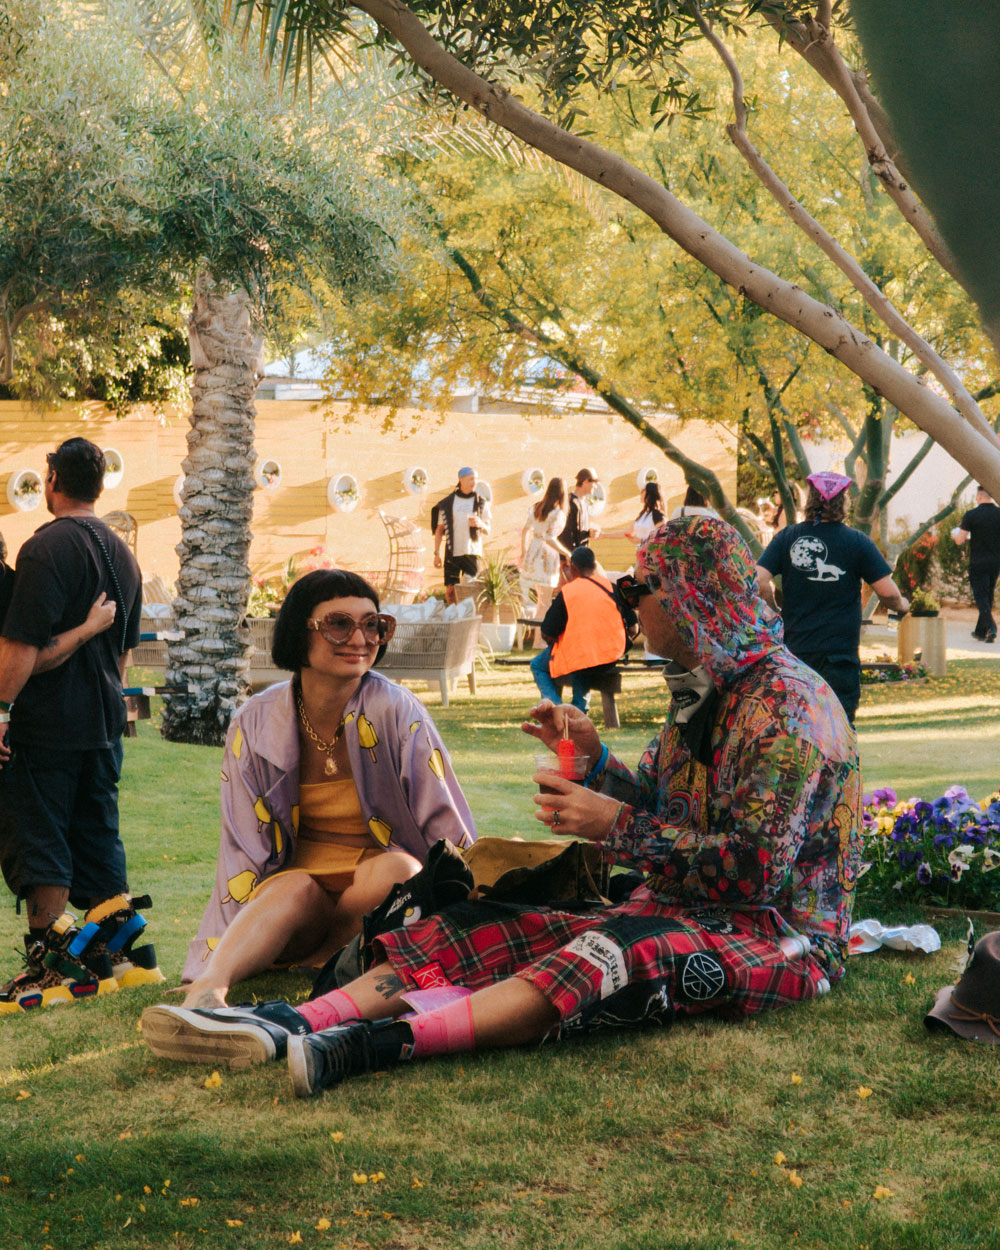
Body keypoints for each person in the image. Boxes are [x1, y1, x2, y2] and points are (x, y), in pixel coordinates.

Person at [139, 515, 862, 1097]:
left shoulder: (786, 708)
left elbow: (754, 873)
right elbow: (670, 807)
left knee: (603, 950)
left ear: (686, 597)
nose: (630, 604)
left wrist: (615, 825)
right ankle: (283, 1022)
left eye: (641, 587)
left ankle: (372, 1045)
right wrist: (602, 766)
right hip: (676, 900)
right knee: (484, 929)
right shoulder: (711, 689)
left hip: (778, 932)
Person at [176, 568, 477, 1007]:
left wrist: (475, 908)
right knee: (294, 888)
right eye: (339, 624)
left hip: (373, 897)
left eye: (373, 624)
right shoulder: (254, 722)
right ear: (301, 633)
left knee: (401, 870)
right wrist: (206, 959)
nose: (361, 638)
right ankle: (210, 988)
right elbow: (241, 849)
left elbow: (443, 822)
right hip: (295, 902)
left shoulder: (396, 709)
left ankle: (329, 959)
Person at [0, 438, 153, 1013]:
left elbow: (20, 647)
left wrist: (0, 712)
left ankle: (51, 965)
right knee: (96, 832)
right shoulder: (124, 551)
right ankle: (114, 960)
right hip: (104, 719)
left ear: (52, 480)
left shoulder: (46, 548)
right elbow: (122, 657)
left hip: (49, 722)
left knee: (39, 834)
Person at [755, 470, 910, 724]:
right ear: (844, 502)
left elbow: (758, 580)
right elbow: (888, 593)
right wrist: (902, 606)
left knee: (797, 730)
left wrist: (774, 612)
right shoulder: (856, 541)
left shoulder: (788, 537)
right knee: (840, 730)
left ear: (810, 500)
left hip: (797, 655)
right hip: (840, 658)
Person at [529, 546, 635, 711]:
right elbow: (633, 628)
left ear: (574, 568)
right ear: (594, 565)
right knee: (582, 657)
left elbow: (547, 632)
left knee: (539, 665)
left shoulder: (569, 592)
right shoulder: (611, 588)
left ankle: (556, 706)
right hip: (611, 655)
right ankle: (579, 708)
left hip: (582, 657)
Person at [432, 467, 491, 604]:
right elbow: (440, 530)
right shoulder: (448, 503)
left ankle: (467, 619)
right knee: (451, 592)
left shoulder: (481, 502)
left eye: (475, 479)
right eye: (471, 478)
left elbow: (488, 529)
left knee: (471, 589)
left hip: (472, 552)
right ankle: (453, 618)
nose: (474, 482)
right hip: (453, 551)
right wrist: (436, 553)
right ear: (461, 480)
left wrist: (480, 524)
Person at [952, 485, 1000, 642]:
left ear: (979, 496)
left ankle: (991, 627)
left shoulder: (971, 515)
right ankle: (981, 632)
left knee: (980, 597)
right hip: (995, 562)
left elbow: (959, 540)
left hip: (978, 562)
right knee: (988, 595)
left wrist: (955, 534)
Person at [519, 476, 570, 620]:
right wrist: (567, 553)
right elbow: (549, 538)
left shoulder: (536, 508)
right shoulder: (558, 514)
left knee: (539, 600)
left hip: (533, 552)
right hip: (547, 556)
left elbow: (525, 531)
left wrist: (524, 552)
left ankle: (538, 639)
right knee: (545, 602)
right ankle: (539, 640)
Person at [557, 468, 601, 567]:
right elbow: (566, 534)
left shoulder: (583, 502)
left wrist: (589, 532)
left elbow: (578, 530)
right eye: (594, 483)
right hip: (570, 560)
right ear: (585, 481)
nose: (595, 486)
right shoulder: (569, 502)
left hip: (580, 558)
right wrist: (570, 558)